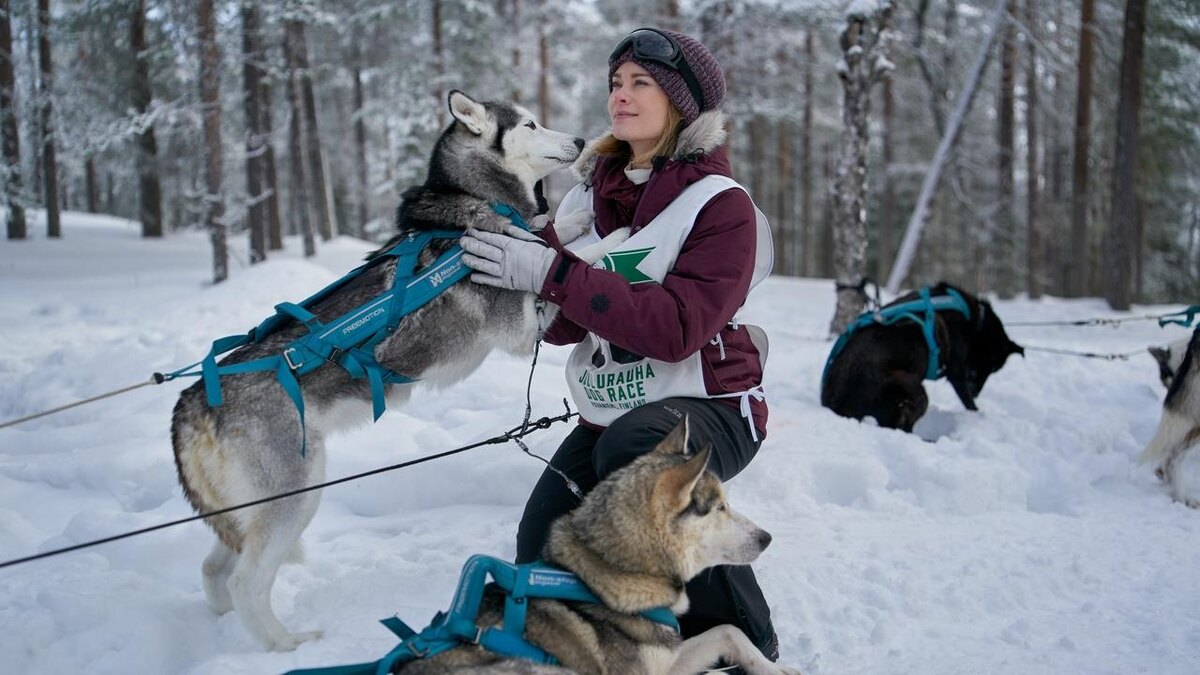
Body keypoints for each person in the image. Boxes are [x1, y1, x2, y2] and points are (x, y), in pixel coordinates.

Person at [459, 27, 779, 663]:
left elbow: (676, 328)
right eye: (615, 83)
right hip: (615, 412)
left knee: (642, 461)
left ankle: (741, 641)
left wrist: (555, 275)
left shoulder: (721, 207)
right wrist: (523, 279)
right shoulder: (590, 198)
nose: (620, 97)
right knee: (546, 541)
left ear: (683, 103)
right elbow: (570, 325)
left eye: (641, 83)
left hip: (711, 407)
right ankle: (606, 644)